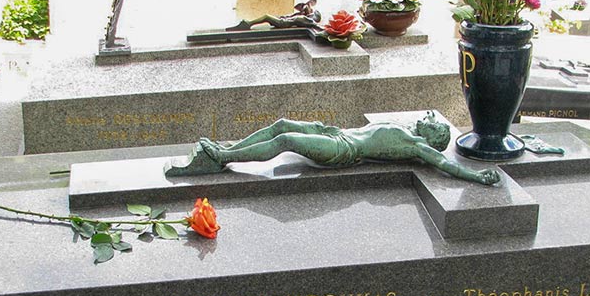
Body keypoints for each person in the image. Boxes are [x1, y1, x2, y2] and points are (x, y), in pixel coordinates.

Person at [165, 112, 501, 186]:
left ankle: (223, 158)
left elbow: (446, 165)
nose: (428, 117)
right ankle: (229, 148)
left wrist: (477, 176)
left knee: (286, 142)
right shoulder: (405, 126)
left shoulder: (417, 145)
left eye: (434, 122)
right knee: (282, 124)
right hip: (336, 132)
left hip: (342, 150)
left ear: (435, 136)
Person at [226, 0, 322, 31]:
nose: (303, 8)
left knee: (266, 16)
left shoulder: (305, 19)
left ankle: (247, 24)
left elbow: (314, 24)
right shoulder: (301, 15)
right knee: (269, 16)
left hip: (283, 23)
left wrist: (323, 29)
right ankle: (247, 23)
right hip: (283, 20)